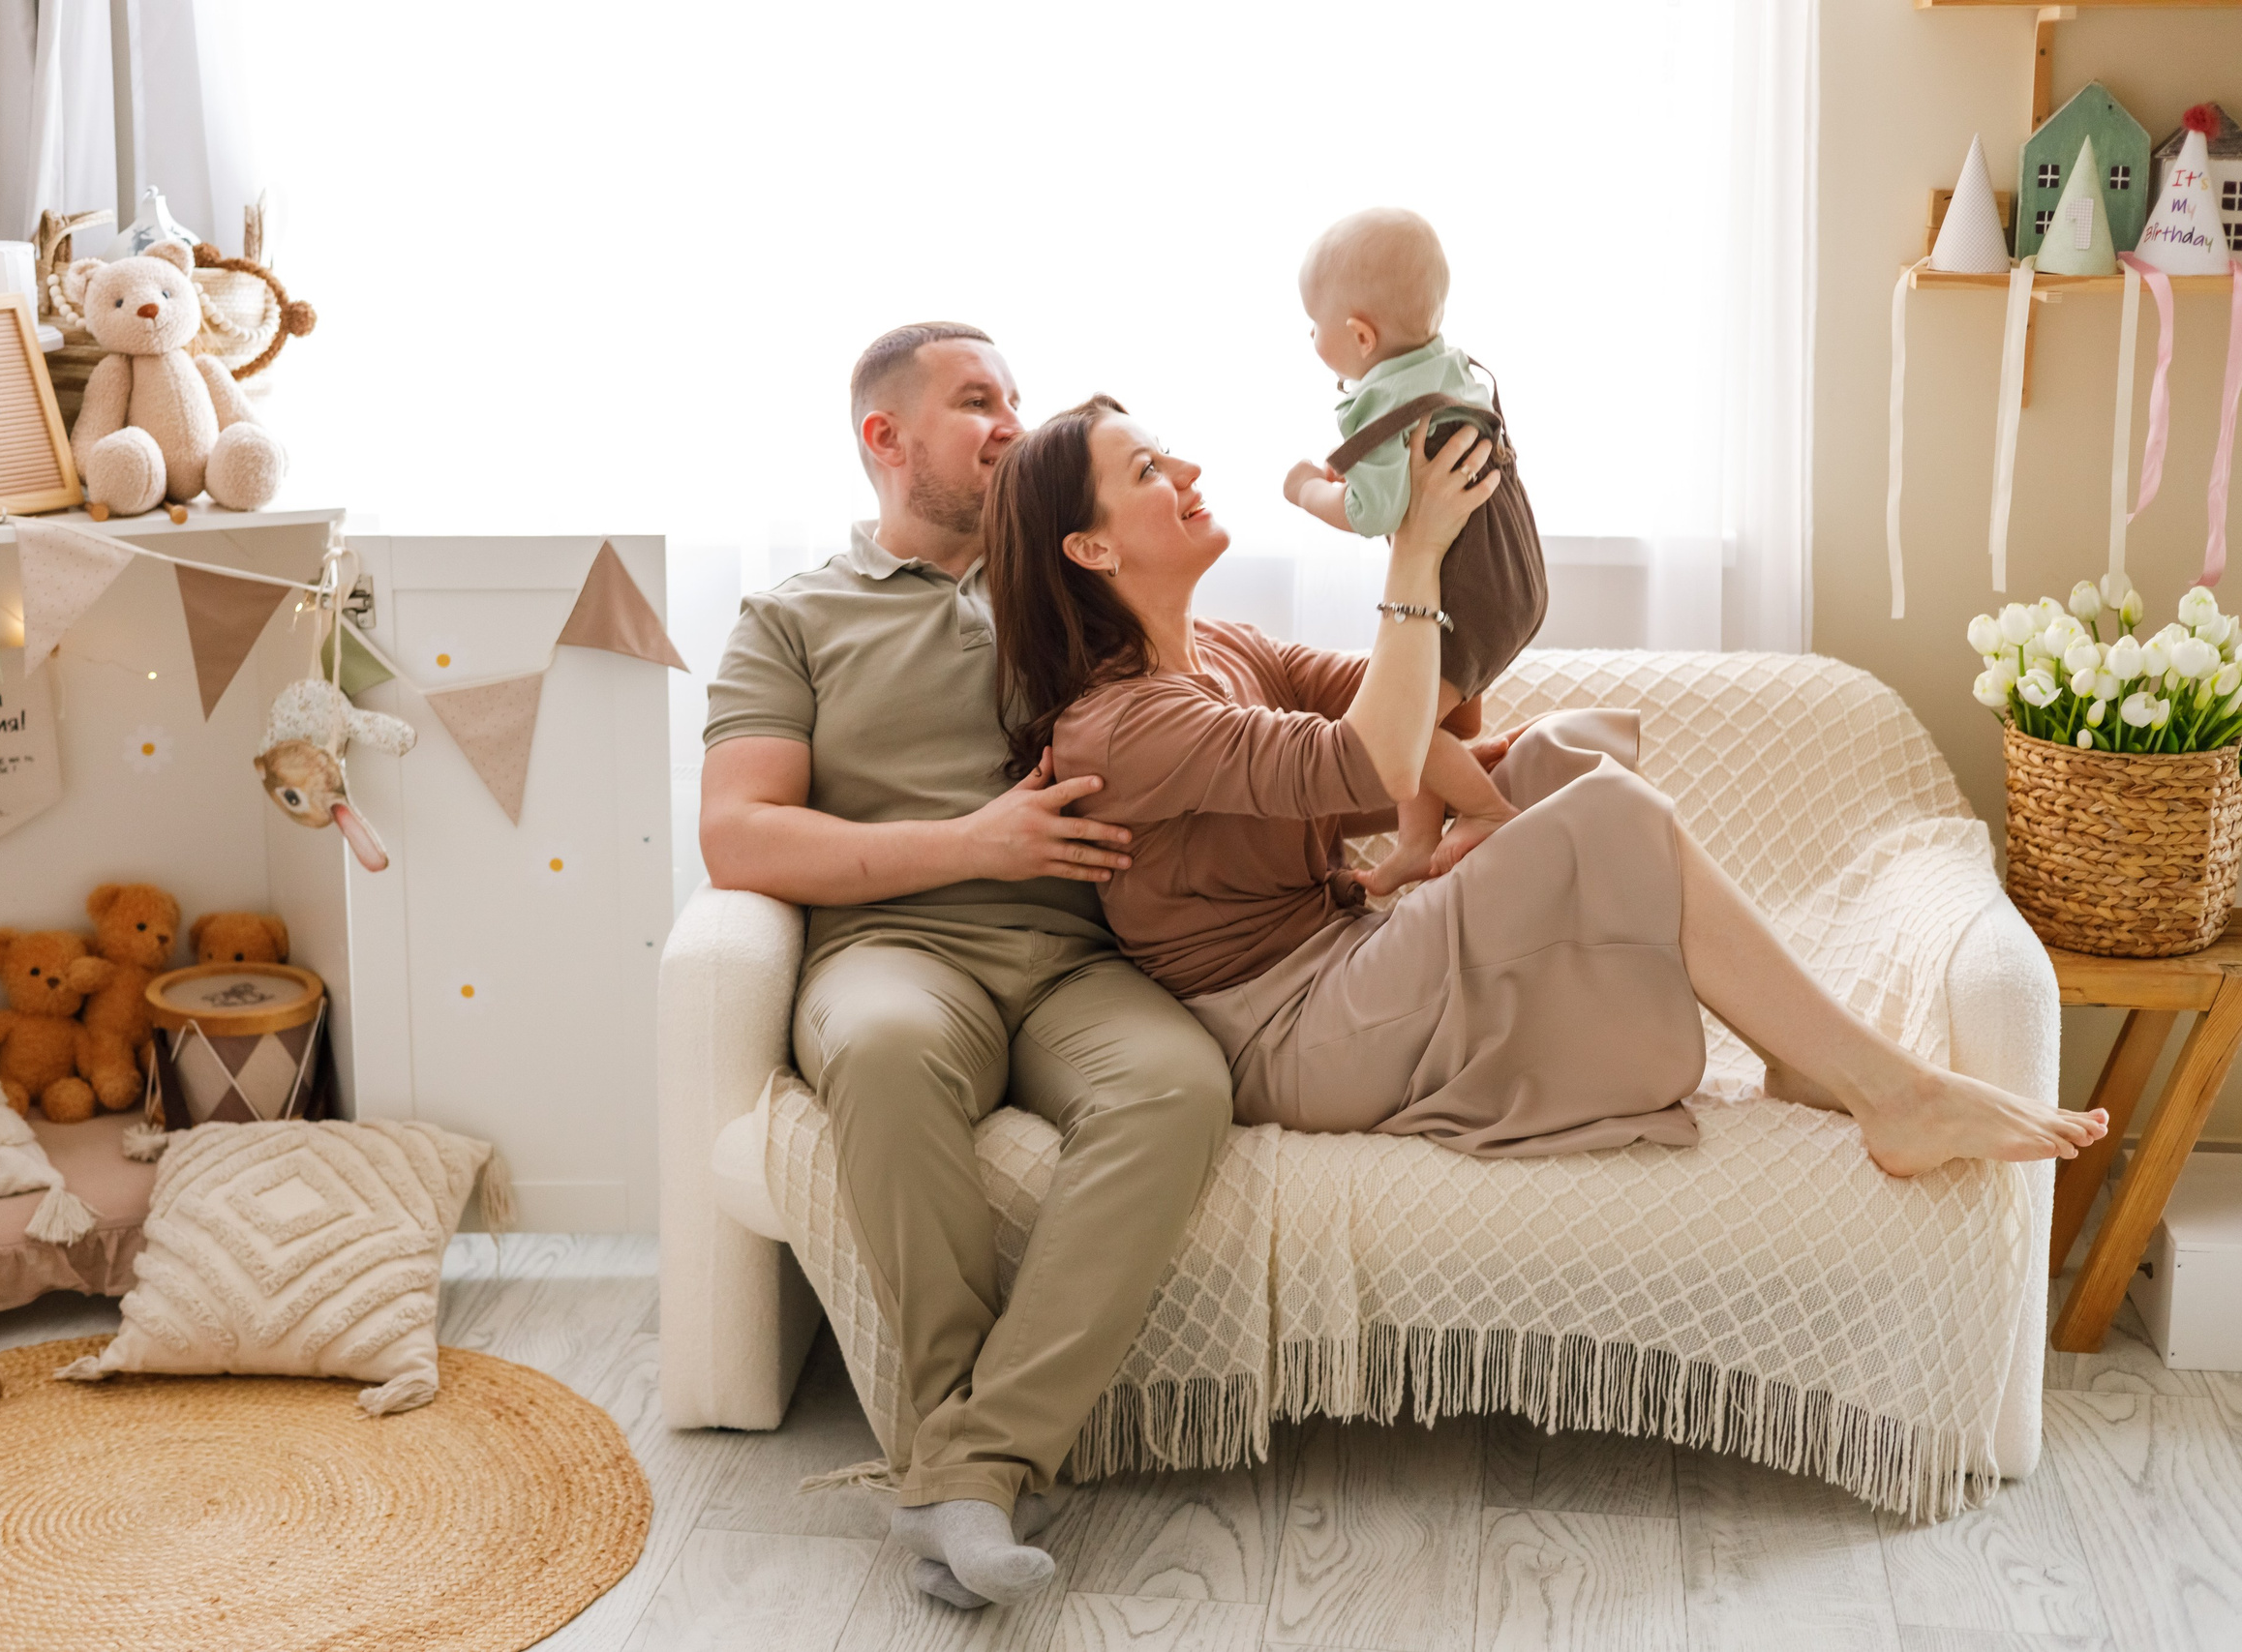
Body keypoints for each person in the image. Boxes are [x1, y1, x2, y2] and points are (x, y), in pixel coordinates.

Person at [986, 392, 2112, 1168]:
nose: (1184, 471)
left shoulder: (1225, 646)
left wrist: (1468, 534)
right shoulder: (1119, 726)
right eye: (1145, 471)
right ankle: (1889, 1094)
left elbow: (1435, 710)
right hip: (1285, 1032)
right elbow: (1362, 758)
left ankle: (1802, 1053)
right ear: (1090, 551)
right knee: (1597, 810)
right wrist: (1409, 557)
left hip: (1341, 957)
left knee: (1557, 753)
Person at [700, 325, 1234, 1608]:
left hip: (1073, 957)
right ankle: (973, 1466)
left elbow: (1207, 704)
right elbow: (740, 833)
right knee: (882, 1050)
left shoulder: (1071, 582)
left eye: (1017, 399)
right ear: (884, 436)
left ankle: (966, 1465)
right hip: (894, 952)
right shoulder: (791, 613)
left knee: (1177, 1081)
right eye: (977, 400)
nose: (1011, 421)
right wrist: (970, 839)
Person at [1285, 206, 1547, 887]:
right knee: (1437, 717)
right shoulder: (1453, 370)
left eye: (1314, 326)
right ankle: (1416, 843)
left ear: (1360, 335)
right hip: (1515, 571)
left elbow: (1372, 512)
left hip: (1468, 589)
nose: (1310, 337)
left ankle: (1487, 811)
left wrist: (1308, 491)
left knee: (1405, 730)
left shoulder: (1376, 406)